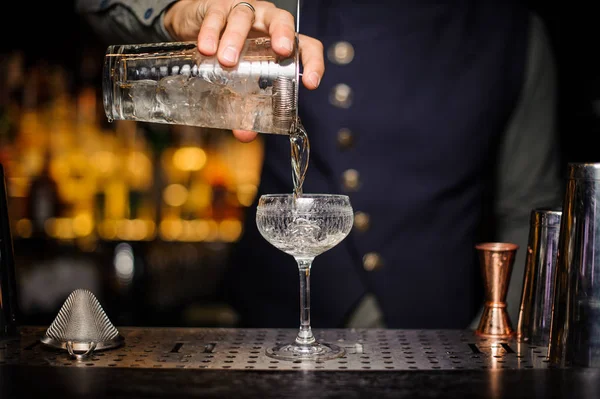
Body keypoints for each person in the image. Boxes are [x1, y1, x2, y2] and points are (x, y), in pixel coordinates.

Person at [76, 0, 563, 329]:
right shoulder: (287, 4)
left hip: (443, 334)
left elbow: (532, 209)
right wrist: (182, 11)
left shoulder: (517, 32)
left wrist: (504, 340)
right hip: (273, 331)